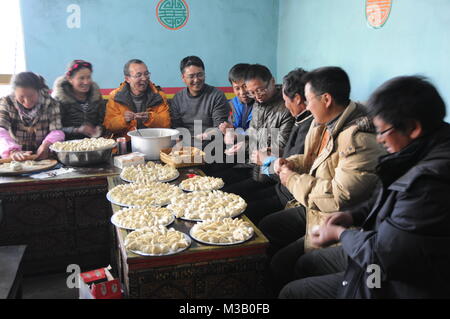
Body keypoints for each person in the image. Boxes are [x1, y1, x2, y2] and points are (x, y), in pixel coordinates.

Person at [280, 75, 450, 299]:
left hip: (391, 281)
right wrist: (352, 216)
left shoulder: (430, 183)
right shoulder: (418, 152)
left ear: (412, 128)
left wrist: (341, 234)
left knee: (292, 292)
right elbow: (386, 201)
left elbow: (384, 257)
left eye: (383, 131)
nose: (379, 139)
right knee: (305, 263)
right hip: (376, 245)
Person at [259, 66, 385, 294]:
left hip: (337, 220)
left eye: (308, 100)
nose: (305, 106)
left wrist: (290, 179)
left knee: (288, 267)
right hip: (316, 209)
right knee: (276, 252)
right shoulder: (323, 123)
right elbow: (313, 159)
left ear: (326, 99)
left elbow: (339, 198)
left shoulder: (358, 138)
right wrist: (291, 163)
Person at [227, 68, 313, 225]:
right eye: (252, 92)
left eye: (260, 90)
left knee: (240, 209)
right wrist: (244, 143)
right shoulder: (260, 105)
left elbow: (283, 152)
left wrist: (267, 159)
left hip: (277, 181)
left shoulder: (301, 119)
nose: (256, 95)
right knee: (227, 192)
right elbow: (254, 135)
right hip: (268, 172)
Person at [0, 72, 64, 160]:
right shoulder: (7, 103)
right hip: (15, 158)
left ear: (39, 91)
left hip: (43, 156)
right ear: (15, 93)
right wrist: (12, 151)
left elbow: (57, 131)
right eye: (22, 96)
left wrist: (47, 144)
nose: (27, 101)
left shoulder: (51, 104)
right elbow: (1, 130)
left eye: (31, 96)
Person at [103, 59, 171, 139]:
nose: (144, 78)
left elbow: (166, 124)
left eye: (146, 74)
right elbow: (109, 126)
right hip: (125, 144)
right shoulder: (115, 97)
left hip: (152, 141)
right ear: (127, 79)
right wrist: (123, 119)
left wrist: (150, 118)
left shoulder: (158, 96)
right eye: (138, 75)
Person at [169, 56, 229, 142]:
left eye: (200, 75)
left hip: (210, 142)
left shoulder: (217, 96)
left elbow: (220, 128)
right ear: (183, 78)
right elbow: (176, 129)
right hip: (185, 144)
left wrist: (205, 136)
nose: (196, 80)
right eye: (191, 76)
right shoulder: (177, 99)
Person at [52, 60, 106, 140]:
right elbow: (54, 129)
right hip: (68, 146)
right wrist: (77, 130)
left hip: (94, 143)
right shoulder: (59, 100)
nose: (86, 82)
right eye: (81, 78)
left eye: (88, 77)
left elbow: (103, 119)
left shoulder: (96, 96)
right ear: (70, 79)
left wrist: (99, 128)